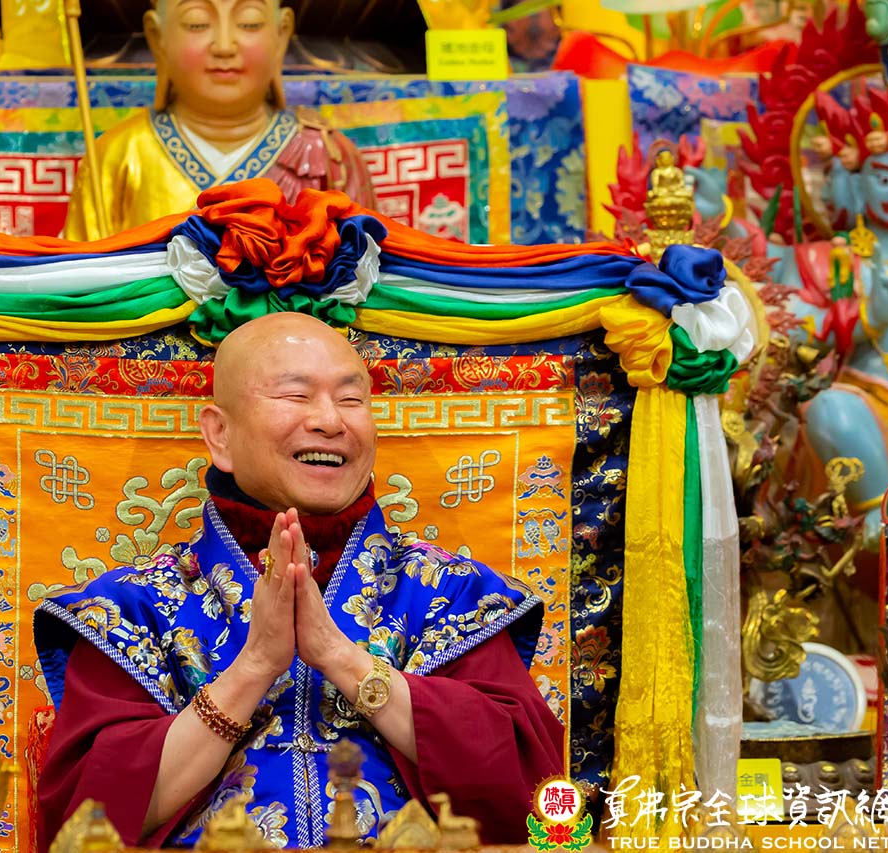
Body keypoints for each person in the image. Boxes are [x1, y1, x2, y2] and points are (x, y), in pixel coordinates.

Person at [33, 312, 564, 848]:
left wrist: (343, 659)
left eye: (351, 400)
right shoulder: (131, 606)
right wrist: (253, 668)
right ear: (220, 434)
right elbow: (87, 823)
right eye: (296, 396)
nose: (330, 421)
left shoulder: (450, 591)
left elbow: (528, 797)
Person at [62, 0, 375, 241]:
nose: (224, 46)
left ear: (281, 34)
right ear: (157, 37)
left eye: (249, 23)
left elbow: (372, 276)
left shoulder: (328, 156)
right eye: (197, 24)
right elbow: (80, 284)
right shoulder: (117, 155)